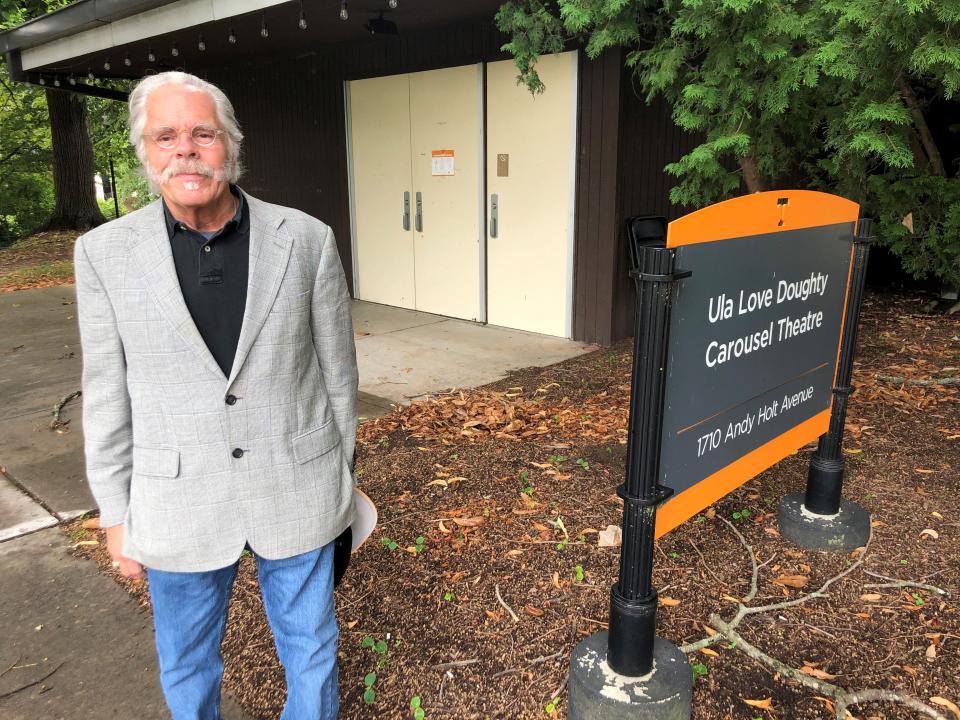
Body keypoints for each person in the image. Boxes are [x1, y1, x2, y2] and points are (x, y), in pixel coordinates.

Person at [74, 71, 357, 720]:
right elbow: (107, 395)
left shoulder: (306, 239)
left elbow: (339, 374)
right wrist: (116, 513)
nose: (186, 150)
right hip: (176, 499)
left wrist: (339, 475)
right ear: (144, 152)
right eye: (165, 136)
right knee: (188, 662)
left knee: (312, 653)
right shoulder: (103, 255)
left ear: (230, 145)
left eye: (202, 133)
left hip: (299, 486)